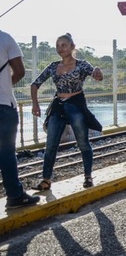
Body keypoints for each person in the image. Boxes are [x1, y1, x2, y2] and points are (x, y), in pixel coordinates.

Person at [31, 33, 103, 191]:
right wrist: (35, 105)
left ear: (72, 47)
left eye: (63, 45)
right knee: (51, 144)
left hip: (76, 105)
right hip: (58, 106)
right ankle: (46, 180)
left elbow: (96, 76)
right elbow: (35, 84)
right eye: (58, 45)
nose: (60, 48)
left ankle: (88, 177)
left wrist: (97, 70)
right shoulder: (52, 66)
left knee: (83, 142)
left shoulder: (82, 65)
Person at [0, 29, 40, 209]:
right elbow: (20, 71)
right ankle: (15, 196)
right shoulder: (5, 38)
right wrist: (6, 85)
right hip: (4, 106)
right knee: (6, 153)